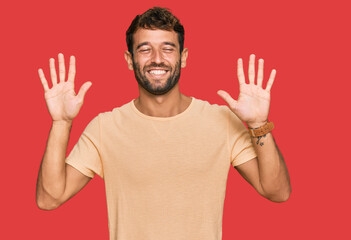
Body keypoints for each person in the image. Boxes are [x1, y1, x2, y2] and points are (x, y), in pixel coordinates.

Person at [36, 7, 291, 240]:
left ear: (183, 57)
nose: (157, 58)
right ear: (129, 59)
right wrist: (61, 123)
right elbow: (49, 198)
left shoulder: (221, 121)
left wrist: (259, 123)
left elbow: (277, 191)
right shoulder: (105, 127)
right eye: (144, 49)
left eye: (168, 48)